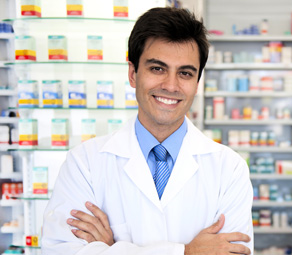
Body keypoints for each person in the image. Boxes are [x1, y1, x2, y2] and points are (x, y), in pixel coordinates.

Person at [41, 7, 253, 255]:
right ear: (133, 74)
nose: (171, 85)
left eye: (185, 73)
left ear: (197, 83)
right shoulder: (85, 162)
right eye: (157, 69)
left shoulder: (229, 169)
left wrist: (112, 248)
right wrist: (187, 252)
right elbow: (61, 251)